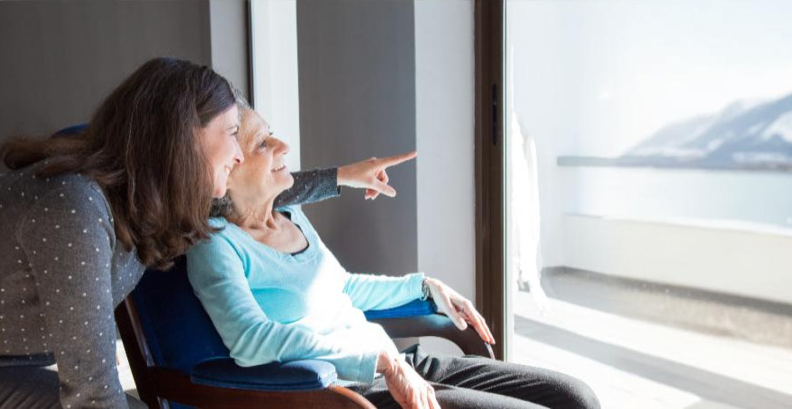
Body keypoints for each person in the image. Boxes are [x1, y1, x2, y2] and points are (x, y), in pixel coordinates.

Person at [0, 57, 412, 409]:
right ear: (182, 136)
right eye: (232, 134)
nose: (238, 153)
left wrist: (341, 178)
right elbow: (92, 393)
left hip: (18, 356)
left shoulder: (149, 196)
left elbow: (249, 192)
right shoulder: (74, 209)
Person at [187, 104, 600, 409]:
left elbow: (343, 288)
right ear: (228, 168)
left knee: (576, 398)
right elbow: (251, 342)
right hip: (348, 392)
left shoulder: (290, 215)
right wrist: (381, 360)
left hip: (394, 362)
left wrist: (424, 286)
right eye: (263, 143)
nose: (282, 145)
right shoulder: (217, 245)